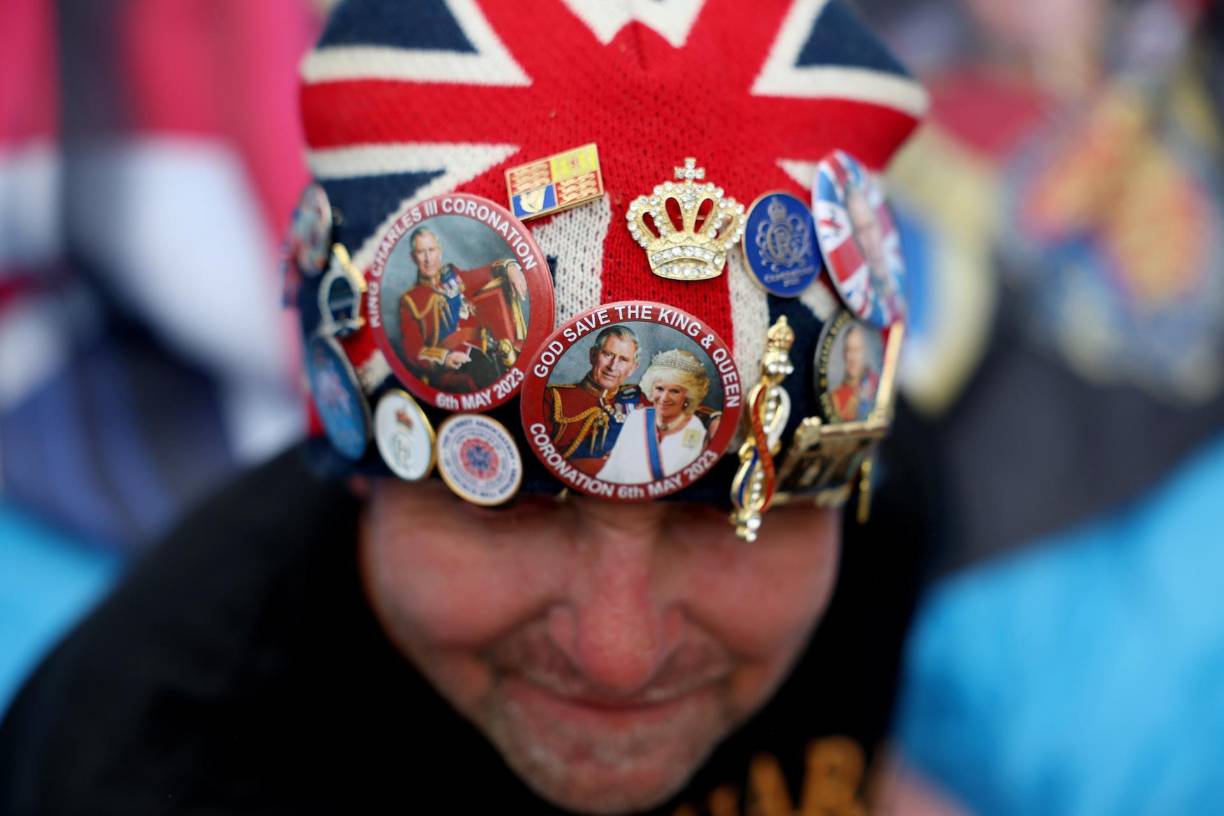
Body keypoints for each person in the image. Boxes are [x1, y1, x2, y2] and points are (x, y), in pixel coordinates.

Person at [0, 2, 935, 814]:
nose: (621, 654)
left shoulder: (883, 516)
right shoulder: (143, 769)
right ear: (365, 468)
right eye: (504, 500)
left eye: (729, 511)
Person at [398, 226, 529, 392]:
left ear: (439, 251)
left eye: (431, 250)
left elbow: (484, 273)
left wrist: (509, 267)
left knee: (509, 363)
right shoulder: (410, 300)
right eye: (421, 252)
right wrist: (444, 358)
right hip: (450, 368)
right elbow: (413, 351)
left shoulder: (453, 276)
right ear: (413, 257)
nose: (428, 259)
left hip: (482, 349)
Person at [597, 349, 712, 484]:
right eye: (659, 389)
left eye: (674, 391)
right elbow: (612, 470)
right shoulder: (636, 418)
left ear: (688, 395)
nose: (664, 398)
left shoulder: (695, 430)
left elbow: (686, 481)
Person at [543, 325, 643, 476]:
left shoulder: (642, 399)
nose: (613, 366)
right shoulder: (554, 397)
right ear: (593, 355)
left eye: (623, 360)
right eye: (608, 355)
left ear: (632, 368)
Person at [832, 324, 881, 422]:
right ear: (844, 354)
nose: (852, 357)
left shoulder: (878, 384)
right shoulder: (835, 398)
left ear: (864, 352)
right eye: (849, 350)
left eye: (857, 350)